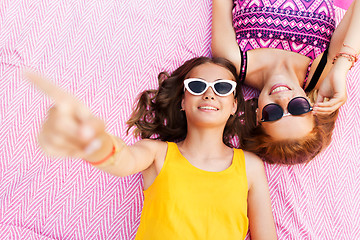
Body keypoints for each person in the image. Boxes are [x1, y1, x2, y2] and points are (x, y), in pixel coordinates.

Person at [24, 57, 277, 239]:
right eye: (197, 86)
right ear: (182, 102)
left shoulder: (251, 167)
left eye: (222, 88)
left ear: (234, 105)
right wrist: (94, 143)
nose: (209, 94)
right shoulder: (157, 153)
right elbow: (123, 160)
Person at [211, 0, 360, 164]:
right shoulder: (321, 71)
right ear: (311, 105)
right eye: (298, 108)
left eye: (273, 113)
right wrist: (340, 68)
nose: (283, 99)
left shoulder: (233, 59)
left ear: (257, 116)